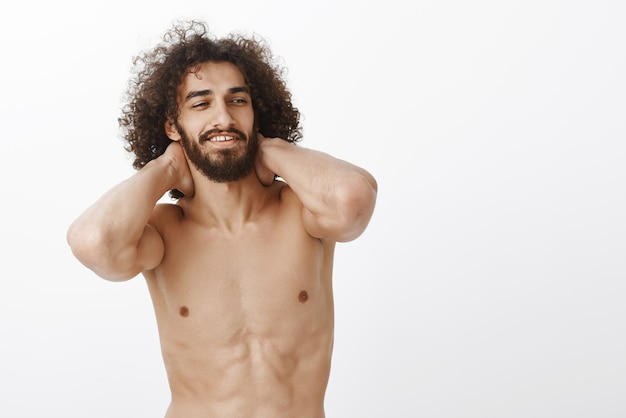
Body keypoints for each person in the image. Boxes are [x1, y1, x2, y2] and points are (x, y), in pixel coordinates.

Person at [67, 20, 377, 418]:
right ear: (171, 126)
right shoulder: (163, 233)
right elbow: (93, 243)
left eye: (237, 101)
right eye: (200, 104)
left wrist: (270, 149)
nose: (223, 118)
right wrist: (164, 167)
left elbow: (353, 199)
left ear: (256, 113)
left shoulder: (302, 213)